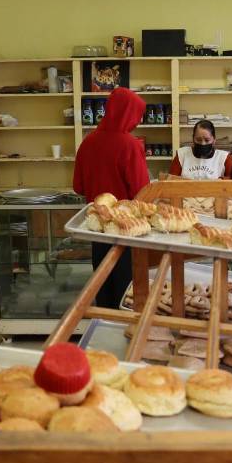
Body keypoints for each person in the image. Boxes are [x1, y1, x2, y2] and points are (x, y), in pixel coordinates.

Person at [72, 87, 150, 308]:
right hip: (127, 229)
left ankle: (102, 328)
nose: (138, 120)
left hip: (97, 227)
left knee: (102, 284)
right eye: (137, 114)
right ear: (128, 113)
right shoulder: (130, 145)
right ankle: (125, 333)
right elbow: (141, 192)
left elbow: (78, 187)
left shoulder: (88, 142)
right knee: (126, 291)